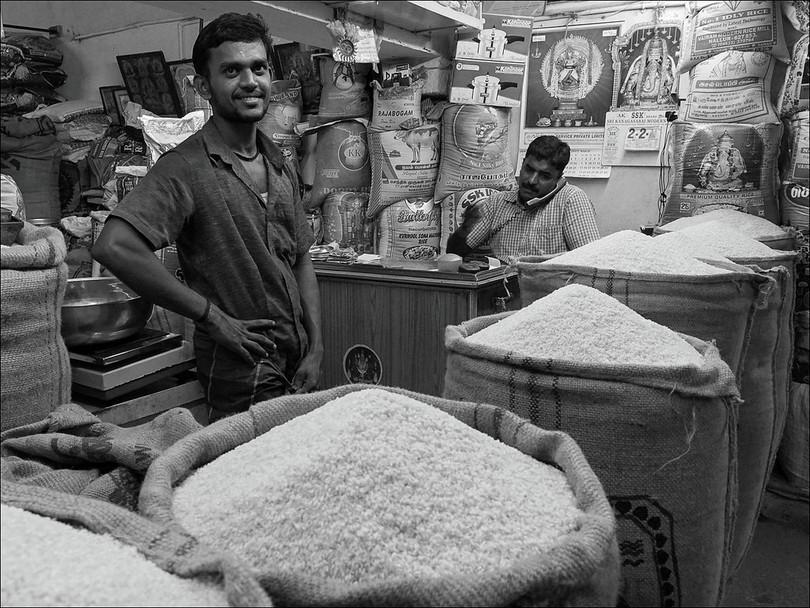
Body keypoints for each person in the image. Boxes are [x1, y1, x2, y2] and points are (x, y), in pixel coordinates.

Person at [92, 13, 323, 422]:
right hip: (242, 373)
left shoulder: (278, 161)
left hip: (297, 362)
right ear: (203, 86)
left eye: (259, 68)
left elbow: (301, 257)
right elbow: (116, 246)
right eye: (232, 70)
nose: (250, 81)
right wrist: (210, 316)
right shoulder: (186, 166)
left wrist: (317, 345)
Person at [446, 135, 600, 261]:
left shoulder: (571, 200)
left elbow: (591, 263)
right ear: (522, 164)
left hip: (549, 292)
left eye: (544, 176)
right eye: (529, 169)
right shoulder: (497, 203)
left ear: (558, 179)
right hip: (503, 291)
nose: (531, 180)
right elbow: (455, 254)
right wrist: (465, 228)